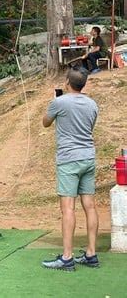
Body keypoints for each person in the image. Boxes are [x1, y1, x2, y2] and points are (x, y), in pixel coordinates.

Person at [41, 68, 99, 271]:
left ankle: (67, 257)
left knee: (68, 208)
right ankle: (91, 253)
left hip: (69, 160)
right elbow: (89, 127)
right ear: (84, 84)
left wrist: (54, 103)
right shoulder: (92, 104)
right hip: (88, 157)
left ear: (67, 82)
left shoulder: (60, 102)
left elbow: (45, 123)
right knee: (90, 206)